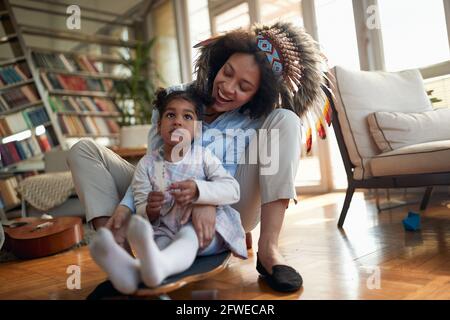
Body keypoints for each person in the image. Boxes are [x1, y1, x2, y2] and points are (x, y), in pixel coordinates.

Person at [68, 22, 327, 292]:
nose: (227, 87)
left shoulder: (257, 120)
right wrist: (128, 206)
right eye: (227, 73)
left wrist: (205, 198)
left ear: (255, 95)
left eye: (244, 86)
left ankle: (269, 251)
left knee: (286, 119)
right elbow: (155, 165)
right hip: (164, 197)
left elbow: (227, 186)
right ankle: (119, 256)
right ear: (219, 63)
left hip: (231, 204)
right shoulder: (175, 99)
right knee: (82, 150)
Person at [89, 89, 247, 294]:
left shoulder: (203, 156)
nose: (178, 121)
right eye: (171, 115)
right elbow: (141, 207)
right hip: (164, 229)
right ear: (159, 126)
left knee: (188, 235)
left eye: (187, 116)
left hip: (206, 230)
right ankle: (133, 274)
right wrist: (150, 209)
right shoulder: (147, 164)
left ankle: (147, 268)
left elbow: (232, 190)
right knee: (159, 246)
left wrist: (199, 190)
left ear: (197, 130)